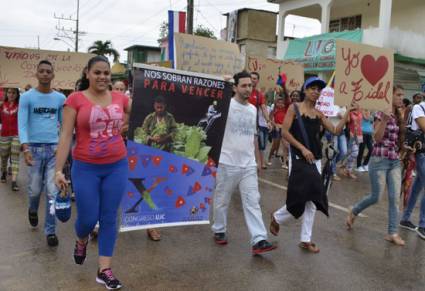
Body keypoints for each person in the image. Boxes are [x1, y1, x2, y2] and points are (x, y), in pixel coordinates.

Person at [54, 55, 130, 289]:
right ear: (87, 73)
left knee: (109, 217)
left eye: (106, 73)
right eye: (97, 72)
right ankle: (81, 239)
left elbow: (146, 109)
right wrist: (58, 170)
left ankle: (104, 270)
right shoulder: (75, 100)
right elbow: (66, 136)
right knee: (87, 219)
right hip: (86, 168)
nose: (102, 77)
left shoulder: (120, 98)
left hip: (117, 165)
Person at [269, 77, 351, 253]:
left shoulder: (320, 114)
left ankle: (305, 239)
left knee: (313, 199)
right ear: (305, 90)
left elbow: (336, 131)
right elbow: (284, 132)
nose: (316, 91)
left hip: (315, 160)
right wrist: (302, 148)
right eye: (312, 88)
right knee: (300, 196)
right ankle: (277, 217)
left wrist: (348, 112)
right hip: (298, 158)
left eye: (318, 89)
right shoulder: (294, 108)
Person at [211, 71, 276, 255]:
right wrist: (220, 82)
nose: (248, 89)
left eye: (250, 86)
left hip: (248, 164)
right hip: (226, 162)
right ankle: (219, 229)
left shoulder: (253, 109)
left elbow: (253, 136)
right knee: (222, 200)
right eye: (244, 85)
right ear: (235, 87)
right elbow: (209, 97)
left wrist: (257, 161)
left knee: (252, 201)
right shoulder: (226, 105)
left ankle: (259, 239)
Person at [346, 85, 406, 246]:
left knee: (394, 199)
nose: (401, 97)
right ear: (390, 96)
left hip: (394, 161)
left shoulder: (400, 113)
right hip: (379, 160)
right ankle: (354, 211)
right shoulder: (382, 112)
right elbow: (377, 138)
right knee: (376, 197)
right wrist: (385, 119)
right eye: (398, 94)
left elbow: (396, 139)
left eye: (402, 95)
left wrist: (404, 149)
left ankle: (392, 232)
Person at [18, 60, 66, 247]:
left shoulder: (60, 99)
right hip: (34, 150)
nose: (45, 74)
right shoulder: (27, 97)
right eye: (42, 71)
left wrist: (63, 150)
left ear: (53, 75)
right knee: (35, 190)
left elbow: (64, 127)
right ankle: (32, 209)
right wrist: (25, 148)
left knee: (52, 192)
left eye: (48, 71)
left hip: (54, 150)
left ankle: (50, 231)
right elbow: (22, 124)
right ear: (37, 74)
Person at [400, 93, 425, 240]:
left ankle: (405, 218)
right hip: (421, 152)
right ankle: (423, 226)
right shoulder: (419, 107)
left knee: (417, 186)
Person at [0, 88, 20, 191]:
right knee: (3, 156)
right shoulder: (1, 105)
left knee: (15, 157)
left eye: (13, 93)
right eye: (9, 92)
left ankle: (14, 181)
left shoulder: (20, 106)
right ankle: (3, 171)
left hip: (17, 135)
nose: (11, 94)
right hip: (4, 134)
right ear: (6, 93)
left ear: (17, 94)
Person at [328, 104, 348, 181]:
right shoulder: (331, 104)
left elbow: (348, 119)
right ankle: (333, 173)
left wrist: (343, 117)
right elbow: (326, 115)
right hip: (332, 130)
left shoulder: (344, 106)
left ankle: (330, 165)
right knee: (334, 152)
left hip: (342, 130)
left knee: (344, 151)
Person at [344, 106, 363, 179]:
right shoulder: (350, 111)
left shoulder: (361, 111)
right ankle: (347, 167)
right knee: (354, 153)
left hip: (359, 134)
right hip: (352, 134)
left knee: (354, 154)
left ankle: (348, 170)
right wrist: (348, 109)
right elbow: (347, 121)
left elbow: (367, 118)